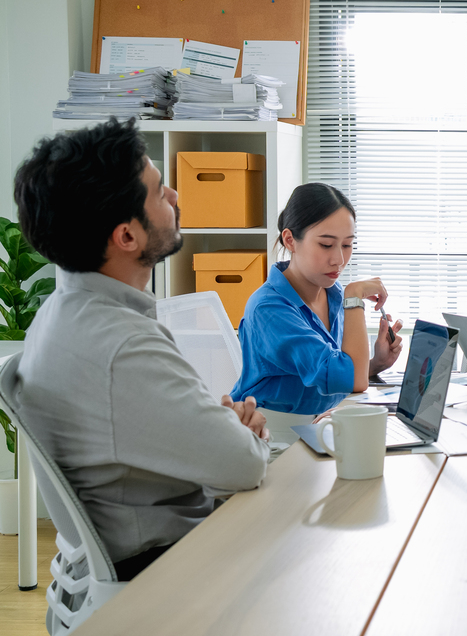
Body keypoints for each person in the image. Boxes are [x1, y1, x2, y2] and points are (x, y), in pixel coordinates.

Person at [5, 118, 271, 581]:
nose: (175, 198)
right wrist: (243, 437)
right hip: (170, 572)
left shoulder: (61, 313)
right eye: (159, 190)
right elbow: (243, 464)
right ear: (127, 236)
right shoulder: (122, 345)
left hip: (134, 554)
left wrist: (223, 432)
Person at [230, 183, 404, 441]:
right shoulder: (269, 308)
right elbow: (354, 382)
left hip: (322, 428)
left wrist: (374, 364)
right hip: (273, 439)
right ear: (290, 240)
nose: (339, 260)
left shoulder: (331, 292)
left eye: (347, 245)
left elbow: (335, 376)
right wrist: (355, 298)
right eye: (326, 245)